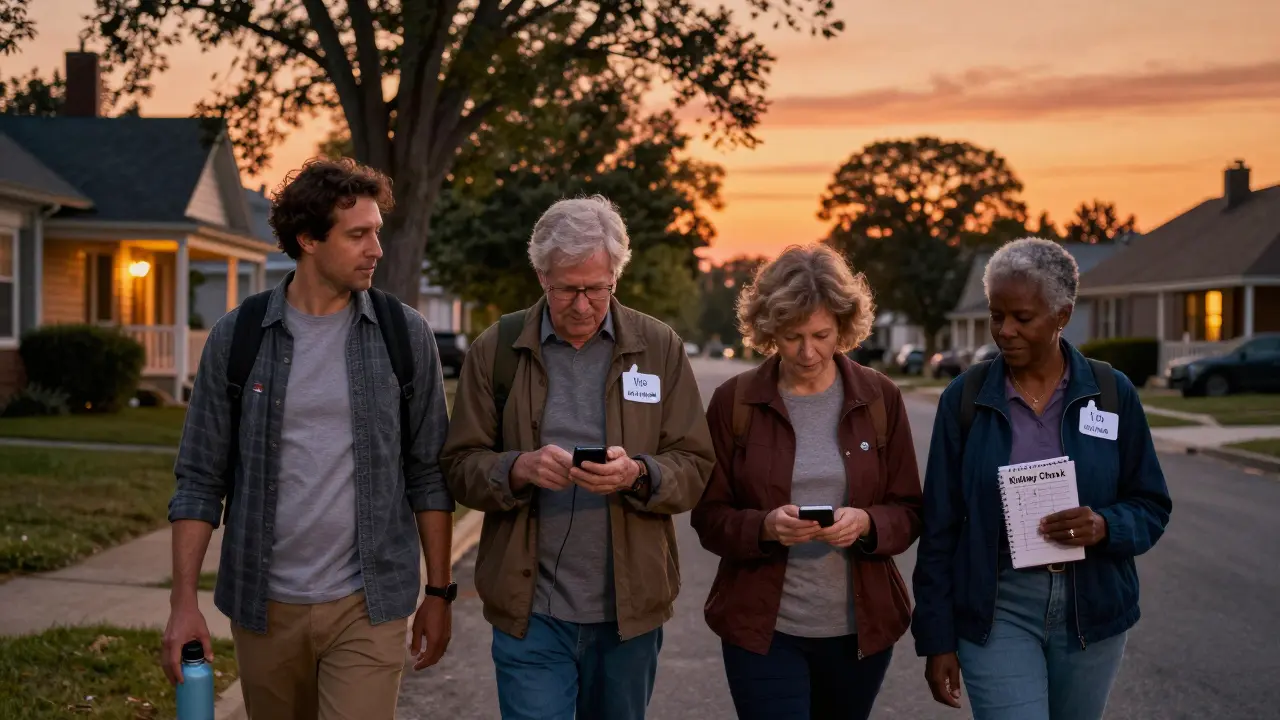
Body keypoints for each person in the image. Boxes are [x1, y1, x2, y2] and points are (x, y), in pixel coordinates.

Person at [163, 158, 457, 720]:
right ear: (308, 239)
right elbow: (200, 479)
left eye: (377, 231)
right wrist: (183, 606)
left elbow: (428, 474)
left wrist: (439, 593)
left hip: (368, 603)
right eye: (358, 235)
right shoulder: (238, 336)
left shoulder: (404, 335)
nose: (376, 249)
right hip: (263, 603)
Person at [441, 195, 716, 720]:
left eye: (598, 289)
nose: (585, 305)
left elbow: (695, 464)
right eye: (569, 289)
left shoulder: (658, 347)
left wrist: (638, 474)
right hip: (531, 612)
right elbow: (460, 464)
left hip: (628, 613)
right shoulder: (497, 349)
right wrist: (516, 468)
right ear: (542, 276)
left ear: (616, 275)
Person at [912, 237, 1173, 720]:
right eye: (996, 316)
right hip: (999, 608)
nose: (1004, 331)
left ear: (1062, 315)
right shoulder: (964, 400)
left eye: (1022, 318)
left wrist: (1105, 526)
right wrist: (936, 637)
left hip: (1091, 607)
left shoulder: (1112, 394)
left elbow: (1152, 504)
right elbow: (940, 527)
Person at [691, 243, 924, 720]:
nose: (808, 351)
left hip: (859, 632)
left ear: (843, 325)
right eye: (792, 336)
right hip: (762, 629)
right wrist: (764, 528)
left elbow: (909, 511)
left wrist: (865, 523)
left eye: (821, 334)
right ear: (769, 329)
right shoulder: (734, 402)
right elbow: (709, 518)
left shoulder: (880, 398)